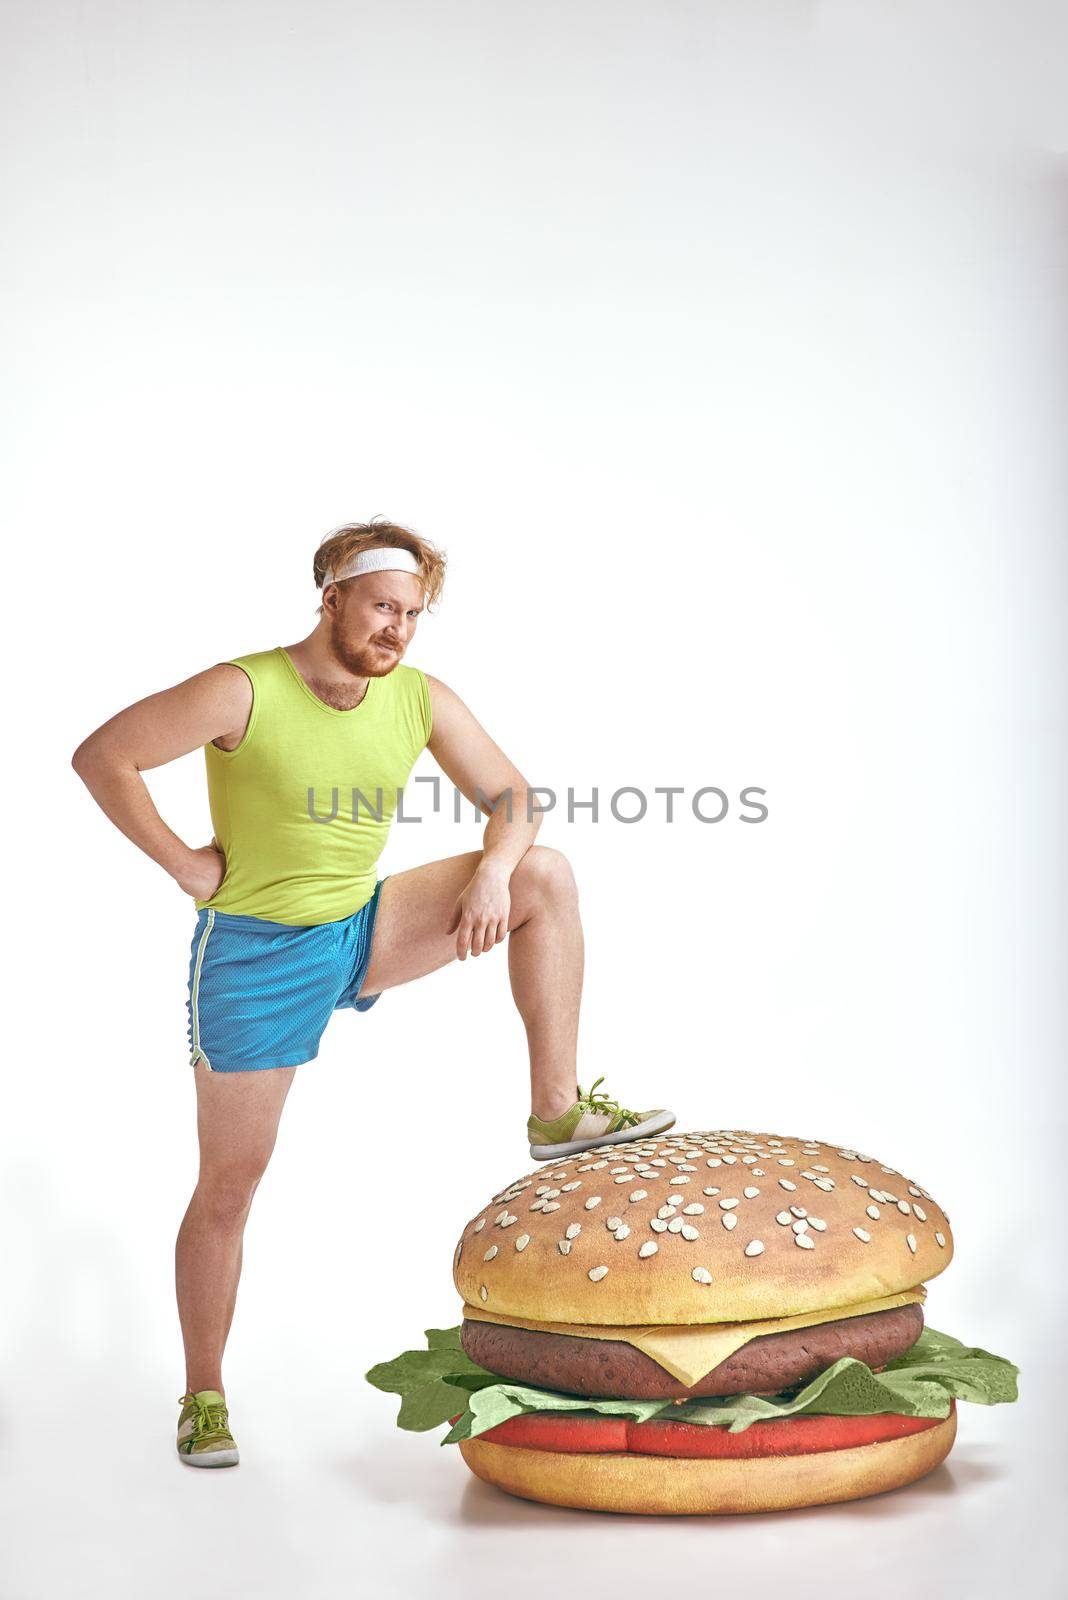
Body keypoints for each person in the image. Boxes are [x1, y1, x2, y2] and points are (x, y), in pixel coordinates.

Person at [71, 519, 674, 1468]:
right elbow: (103, 754)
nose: (396, 630)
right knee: (230, 1188)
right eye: (383, 607)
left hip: (364, 927)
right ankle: (204, 1396)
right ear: (332, 597)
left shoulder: (419, 698)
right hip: (257, 959)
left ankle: (555, 1111)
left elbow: (513, 796)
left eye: (412, 615)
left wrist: (490, 872)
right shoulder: (244, 688)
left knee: (543, 875)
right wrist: (186, 866)